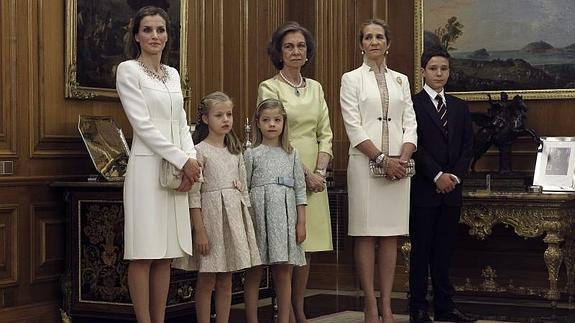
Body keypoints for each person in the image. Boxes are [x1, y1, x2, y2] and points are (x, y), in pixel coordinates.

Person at [115, 6, 201, 323]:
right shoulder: (128, 70)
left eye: (161, 30)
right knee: (144, 253)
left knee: (165, 255)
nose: (155, 35)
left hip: (177, 171)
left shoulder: (173, 74)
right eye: (148, 30)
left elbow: (181, 123)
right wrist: (182, 159)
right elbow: (143, 126)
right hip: (146, 171)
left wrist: (191, 159)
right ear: (136, 35)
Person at [340, 19, 417, 323]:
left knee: (390, 236)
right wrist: (383, 159)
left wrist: (402, 158)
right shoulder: (351, 79)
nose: (374, 42)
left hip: (400, 166)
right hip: (364, 162)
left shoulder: (401, 80)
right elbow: (352, 125)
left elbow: (410, 121)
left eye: (379, 37)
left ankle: (387, 304)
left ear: (388, 43)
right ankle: (370, 305)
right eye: (368, 38)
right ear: (361, 45)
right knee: (366, 233)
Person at [257, 22, 333, 323]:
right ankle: (283, 310)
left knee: (307, 245)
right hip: (284, 170)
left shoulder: (316, 87)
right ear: (279, 51)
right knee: (286, 243)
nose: (295, 51)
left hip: (316, 173)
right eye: (289, 46)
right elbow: (275, 134)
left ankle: (299, 308)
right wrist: (305, 174)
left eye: (301, 46)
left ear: (308, 51)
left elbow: (325, 133)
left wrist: (320, 172)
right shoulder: (269, 87)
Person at [172, 91, 261, 323]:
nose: (226, 120)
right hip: (211, 222)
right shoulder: (199, 152)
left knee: (227, 279)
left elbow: (243, 191)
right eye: (219, 115)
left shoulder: (235, 150)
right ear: (205, 119)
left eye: (229, 114)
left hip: (233, 221)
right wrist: (199, 230)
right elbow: (194, 195)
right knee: (207, 279)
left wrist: (245, 227)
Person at [409, 47, 475, 323]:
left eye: (444, 69)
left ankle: (446, 307)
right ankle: (419, 309)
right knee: (421, 251)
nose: (439, 73)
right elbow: (415, 146)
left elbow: (467, 147)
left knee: (444, 252)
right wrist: (437, 175)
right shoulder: (412, 104)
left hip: (452, 192)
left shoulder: (460, 107)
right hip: (425, 189)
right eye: (434, 68)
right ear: (423, 71)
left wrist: (454, 177)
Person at [243, 99, 307, 323]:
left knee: (284, 271)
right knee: (254, 271)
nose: (272, 124)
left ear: (284, 123)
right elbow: (245, 189)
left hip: (285, 218)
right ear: (258, 124)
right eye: (266, 120)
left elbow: (300, 190)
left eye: (277, 120)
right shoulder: (252, 154)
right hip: (258, 218)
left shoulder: (292, 154)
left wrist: (301, 223)